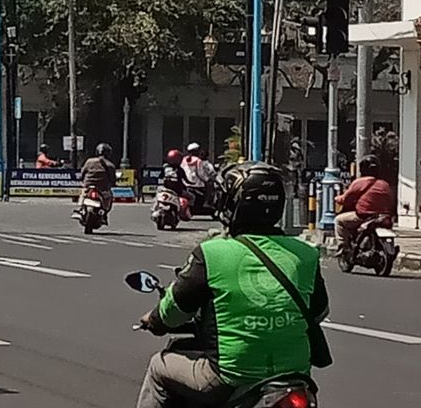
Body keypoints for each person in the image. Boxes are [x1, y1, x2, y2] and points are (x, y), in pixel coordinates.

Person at [135, 162, 328, 408]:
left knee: (158, 366)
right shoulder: (306, 254)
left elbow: (172, 312)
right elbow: (319, 311)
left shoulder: (212, 253)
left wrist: (153, 320)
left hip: (230, 377)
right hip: (295, 376)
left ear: (232, 204)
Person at [335, 154, 396, 252]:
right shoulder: (384, 184)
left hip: (363, 216)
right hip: (384, 217)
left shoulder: (359, 182)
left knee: (339, 221)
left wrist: (337, 198)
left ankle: (343, 247)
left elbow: (346, 199)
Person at [79, 143, 117, 222]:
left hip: (88, 185)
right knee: (109, 197)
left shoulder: (89, 161)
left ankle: (80, 209)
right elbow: (112, 179)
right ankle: (104, 214)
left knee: (83, 194)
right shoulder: (110, 165)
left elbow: (82, 173)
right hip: (102, 188)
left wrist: (83, 180)